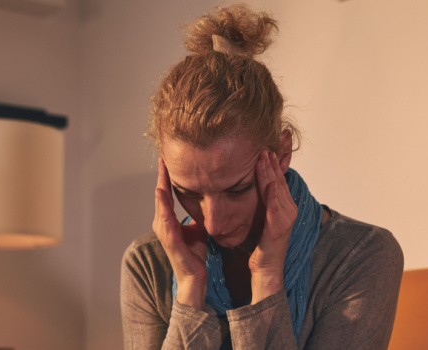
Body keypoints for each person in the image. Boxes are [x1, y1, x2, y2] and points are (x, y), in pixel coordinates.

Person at [120, 4, 404, 350]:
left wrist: (268, 277)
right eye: (188, 192)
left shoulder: (360, 256)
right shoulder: (148, 264)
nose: (213, 223)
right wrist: (190, 289)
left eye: (236, 190)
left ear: (282, 153)